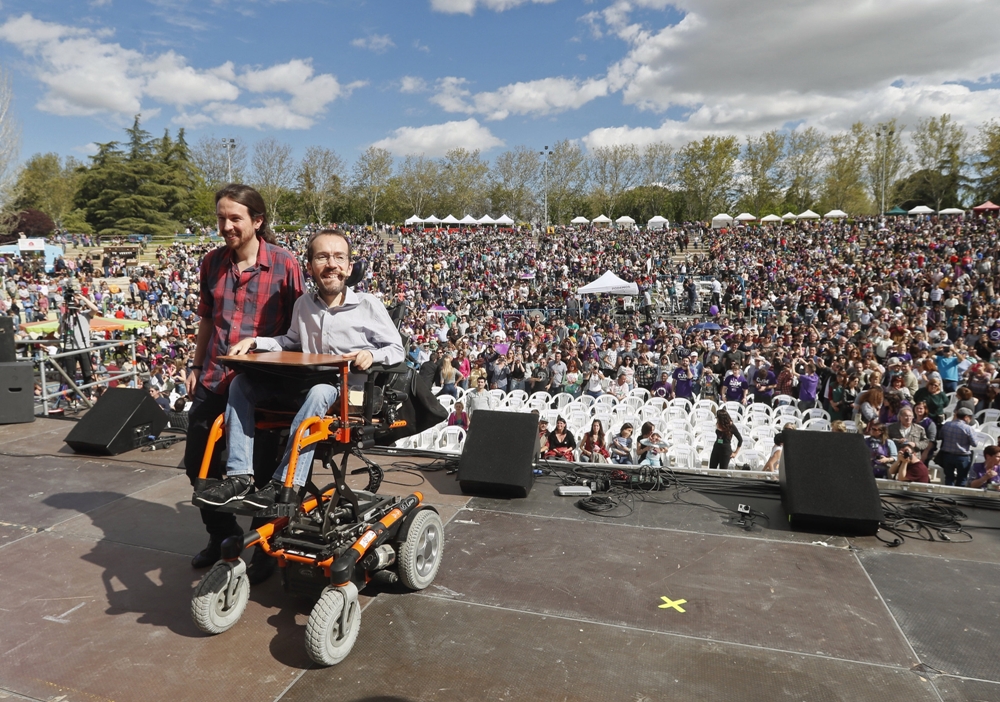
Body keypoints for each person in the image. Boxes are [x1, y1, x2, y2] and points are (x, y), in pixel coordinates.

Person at [193, 228, 403, 514]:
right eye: (323, 257)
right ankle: (240, 476)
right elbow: (289, 341)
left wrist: (371, 354)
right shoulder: (303, 304)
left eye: (339, 257)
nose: (332, 264)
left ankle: (284, 482)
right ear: (310, 266)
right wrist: (255, 342)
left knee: (321, 390)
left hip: (345, 394)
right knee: (241, 384)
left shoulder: (368, 305)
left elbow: (397, 350)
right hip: (303, 386)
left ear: (349, 267)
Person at [183, 185, 305, 572]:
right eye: (221, 217)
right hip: (216, 378)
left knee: (265, 470)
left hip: (264, 384)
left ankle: (265, 549)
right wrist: (196, 365)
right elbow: (206, 318)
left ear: (257, 220)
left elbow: (299, 326)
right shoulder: (211, 262)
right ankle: (222, 535)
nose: (226, 226)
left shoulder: (285, 264)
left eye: (235, 218)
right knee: (196, 463)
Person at [59, 286, 102, 401]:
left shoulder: (85, 314)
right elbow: (60, 331)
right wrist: (64, 316)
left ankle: (88, 394)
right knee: (70, 374)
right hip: (69, 348)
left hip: (83, 347)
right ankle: (73, 397)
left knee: (87, 372)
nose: (73, 301)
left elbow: (95, 309)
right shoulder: (66, 316)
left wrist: (82, 297)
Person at [937, 407, 978, 486]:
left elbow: (941, 436)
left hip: (947, 455)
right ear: (966, 417)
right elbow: (974, 444)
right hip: (962, 457)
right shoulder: (968, 428)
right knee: (962, 478)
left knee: (949, 477)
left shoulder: (946, 425)